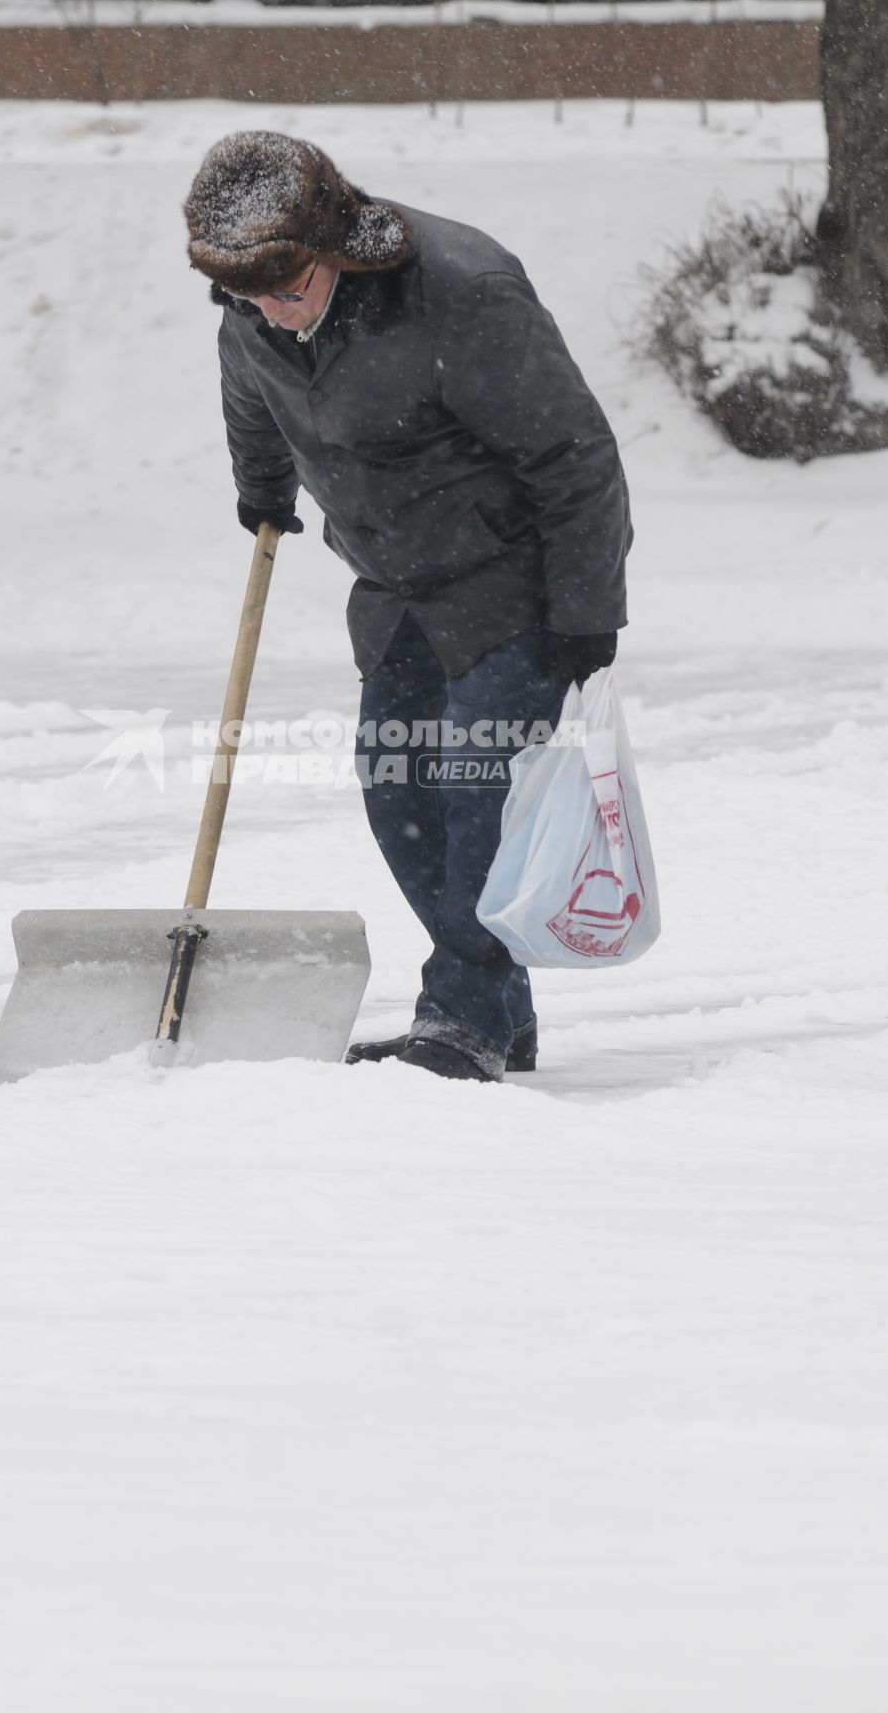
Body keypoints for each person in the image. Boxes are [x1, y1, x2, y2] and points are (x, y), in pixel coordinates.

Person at [184, 131, 631, 1083]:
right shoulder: (254, 305)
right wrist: (261, 488)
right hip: (392, 587)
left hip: (510, 582)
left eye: (286, 287)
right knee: (401, 797)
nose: (268, 310)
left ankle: (460, 1014)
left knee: (480, 798)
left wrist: (588, 610)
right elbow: (251, 396)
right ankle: (495, 1015)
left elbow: (575, 454)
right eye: (244, 293)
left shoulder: (459, 292)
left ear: (335, 245)